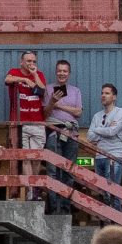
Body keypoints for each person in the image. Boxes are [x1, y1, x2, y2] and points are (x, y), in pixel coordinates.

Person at [42, 61, 85, 215]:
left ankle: (66, 209)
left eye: (65, 71)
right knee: (52, 170)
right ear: (56, 72)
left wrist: (59, 106)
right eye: (59, 71)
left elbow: (79, 112)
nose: (62, 73)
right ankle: (54, 208)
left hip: (71, 133)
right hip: (54, 131)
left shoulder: (75, 91)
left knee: (68, 170)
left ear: (69, 73)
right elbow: (45, 114)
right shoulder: (48, 89)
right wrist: (52, 101)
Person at [85, 84, 122, 189]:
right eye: (102, 93)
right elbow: (89, 137)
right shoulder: (97, 116)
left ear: (114, 97)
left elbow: (112, 132)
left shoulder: (120, 112)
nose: (103, 95)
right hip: (99, 156)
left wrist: (96, 130)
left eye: (107, 93)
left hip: (114, 156)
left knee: (112, 191)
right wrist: (105, 130)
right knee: (102, 192)